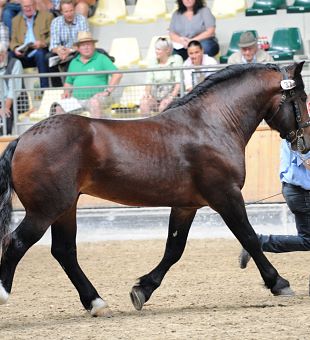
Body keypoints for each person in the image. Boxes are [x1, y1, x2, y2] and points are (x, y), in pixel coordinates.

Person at [239, 136, 310, 269]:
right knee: (307, 240)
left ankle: (258, 243)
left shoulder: (293, 134)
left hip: (297, 191)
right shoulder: (301, 135)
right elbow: (308, 162)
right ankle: (258, 243)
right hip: (301, 193)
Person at [54, 31, 122, 118]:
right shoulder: (74, 62)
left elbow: (118, 74)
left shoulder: (101, 58)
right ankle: (67, 131)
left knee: (94, 102)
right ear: (78, 48)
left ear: (94, 46)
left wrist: (107, 91)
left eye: (88, 44)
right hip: (76, 99)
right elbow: (69, 82)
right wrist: (66, 92)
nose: (86, 47)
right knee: (59, 108)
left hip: (97, 98)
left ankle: (98, 130)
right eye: (83, 45)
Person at [10, 0, 54, 88]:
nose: (28, 8)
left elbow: (53, 36)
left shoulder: (47, 16)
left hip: (39, 51)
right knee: (10, 56)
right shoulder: (15, 20)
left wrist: (43, 43)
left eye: (30, 5)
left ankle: (44, 89)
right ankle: (19, 92)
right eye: (25, 6)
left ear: (35, 5)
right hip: (24, 53)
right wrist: (15, 48)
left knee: (40, 53)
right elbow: (13, 41)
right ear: (21, 7)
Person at [48, 0, 90, 86]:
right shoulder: (56, 22)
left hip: (77, 50)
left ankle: (77, 85)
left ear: (74, 9)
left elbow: (84, 42)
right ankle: (57, 87)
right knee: (48, 57)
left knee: (79, 54)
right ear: (61, 12)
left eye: (71, 10)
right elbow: (53, 45)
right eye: (66, 11)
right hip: (63, 51)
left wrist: (70, 50)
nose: (69, 14)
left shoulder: (81, 19)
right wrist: (59, 50)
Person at [140, 37, 183, 115]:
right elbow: (149, 81)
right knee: (144, 103)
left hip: (173, 96)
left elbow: (178, 82)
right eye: (156, 49)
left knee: (164, 105)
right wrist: (147, 93)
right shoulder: (152, 61)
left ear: (167, 50)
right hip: (157, 96)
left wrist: (171, 97)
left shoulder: (176, 59)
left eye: (158, 49)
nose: (156, 51)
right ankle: (146, 126)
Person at [0, 42, 24, 135]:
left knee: (6, 116)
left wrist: (5, 107)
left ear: (5, 53)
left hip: (11, 101)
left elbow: (13, 89)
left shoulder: (15, 63)